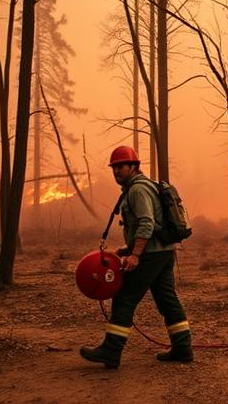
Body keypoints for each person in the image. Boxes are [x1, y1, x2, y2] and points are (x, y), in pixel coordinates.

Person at [80, 146, 193, 368]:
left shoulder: (138, 190)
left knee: (124, 297)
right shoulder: (140, 187)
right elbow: (148, 223)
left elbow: (147, 223)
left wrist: (135, 255)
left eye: (121, 166)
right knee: (167, 300)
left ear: (133, 166)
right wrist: (128, 247)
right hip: (163, 252)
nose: (116, 171)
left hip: (151, 255)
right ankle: (183, 348)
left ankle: (111, 351)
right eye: (114, 167)